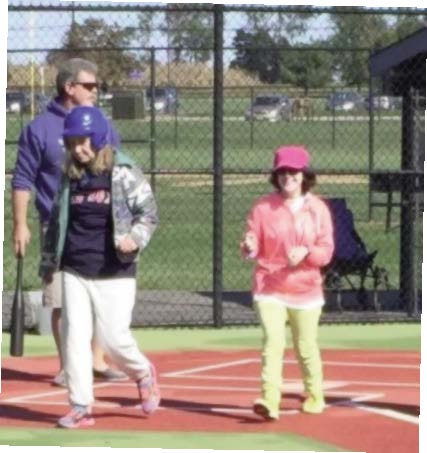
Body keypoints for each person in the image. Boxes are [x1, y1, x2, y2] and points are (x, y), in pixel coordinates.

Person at [39, 105, 160, 428]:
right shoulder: (70, 176)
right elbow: (57, 221)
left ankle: (142, 372)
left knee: (112, 339)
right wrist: (50, 262)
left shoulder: (123, 171)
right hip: (76, 269)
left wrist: (135, 238)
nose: (78, 148)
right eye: (72, 142)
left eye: (83, 141)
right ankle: (80, 404)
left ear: (99, 138)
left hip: (114, 270)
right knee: (74, 336)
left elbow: (148, 214)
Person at [11, 58, 126, 386]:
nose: (95, 91)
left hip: (98, 224)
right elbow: (22, 180)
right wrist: (20, 224)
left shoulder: (100, 122)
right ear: (69, 87)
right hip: (57, 229)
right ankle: (68, 366)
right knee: (62, 299)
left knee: (99, 297)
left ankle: (97, 361)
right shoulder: (40, 129)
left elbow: (116, 169)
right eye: (89, 85)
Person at [240, 145, 334, 421]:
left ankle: (315, 395)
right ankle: (270, 400)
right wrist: (249, 245)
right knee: (272, 342)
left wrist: (307, 252)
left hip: (307, 289)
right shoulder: (262, 207)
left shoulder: (318, 209)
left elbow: (326, 251)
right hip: (270, 286)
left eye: (292, 171)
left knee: (305, 347)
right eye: (281, 172)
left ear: (304, 174)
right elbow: (251, 243)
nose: (287, 177)